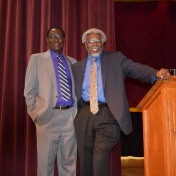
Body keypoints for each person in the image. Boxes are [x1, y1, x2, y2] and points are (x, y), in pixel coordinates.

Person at [72, 28, 171, 176]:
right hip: (84, 114)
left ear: (103, 43)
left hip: (109, 114)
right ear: (85, 44)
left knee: (99, 157)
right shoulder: (77, 67)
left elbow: (135, 69)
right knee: (85, 159)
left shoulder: (116, 59)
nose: (95, 44)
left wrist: (155, 74)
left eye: (98, 40)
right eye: (91, 41)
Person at [24, 26, 77, 176]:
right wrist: (36, 115)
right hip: (47, 118)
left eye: (59, 37)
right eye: (52, 37)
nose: (56, 39)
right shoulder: (36, 59)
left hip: (70, 118)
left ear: (64, 40)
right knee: (45, 165)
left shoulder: (73, 62)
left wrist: (75, 114)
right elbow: (29, 91)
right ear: (47, 40)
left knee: (69, 163)